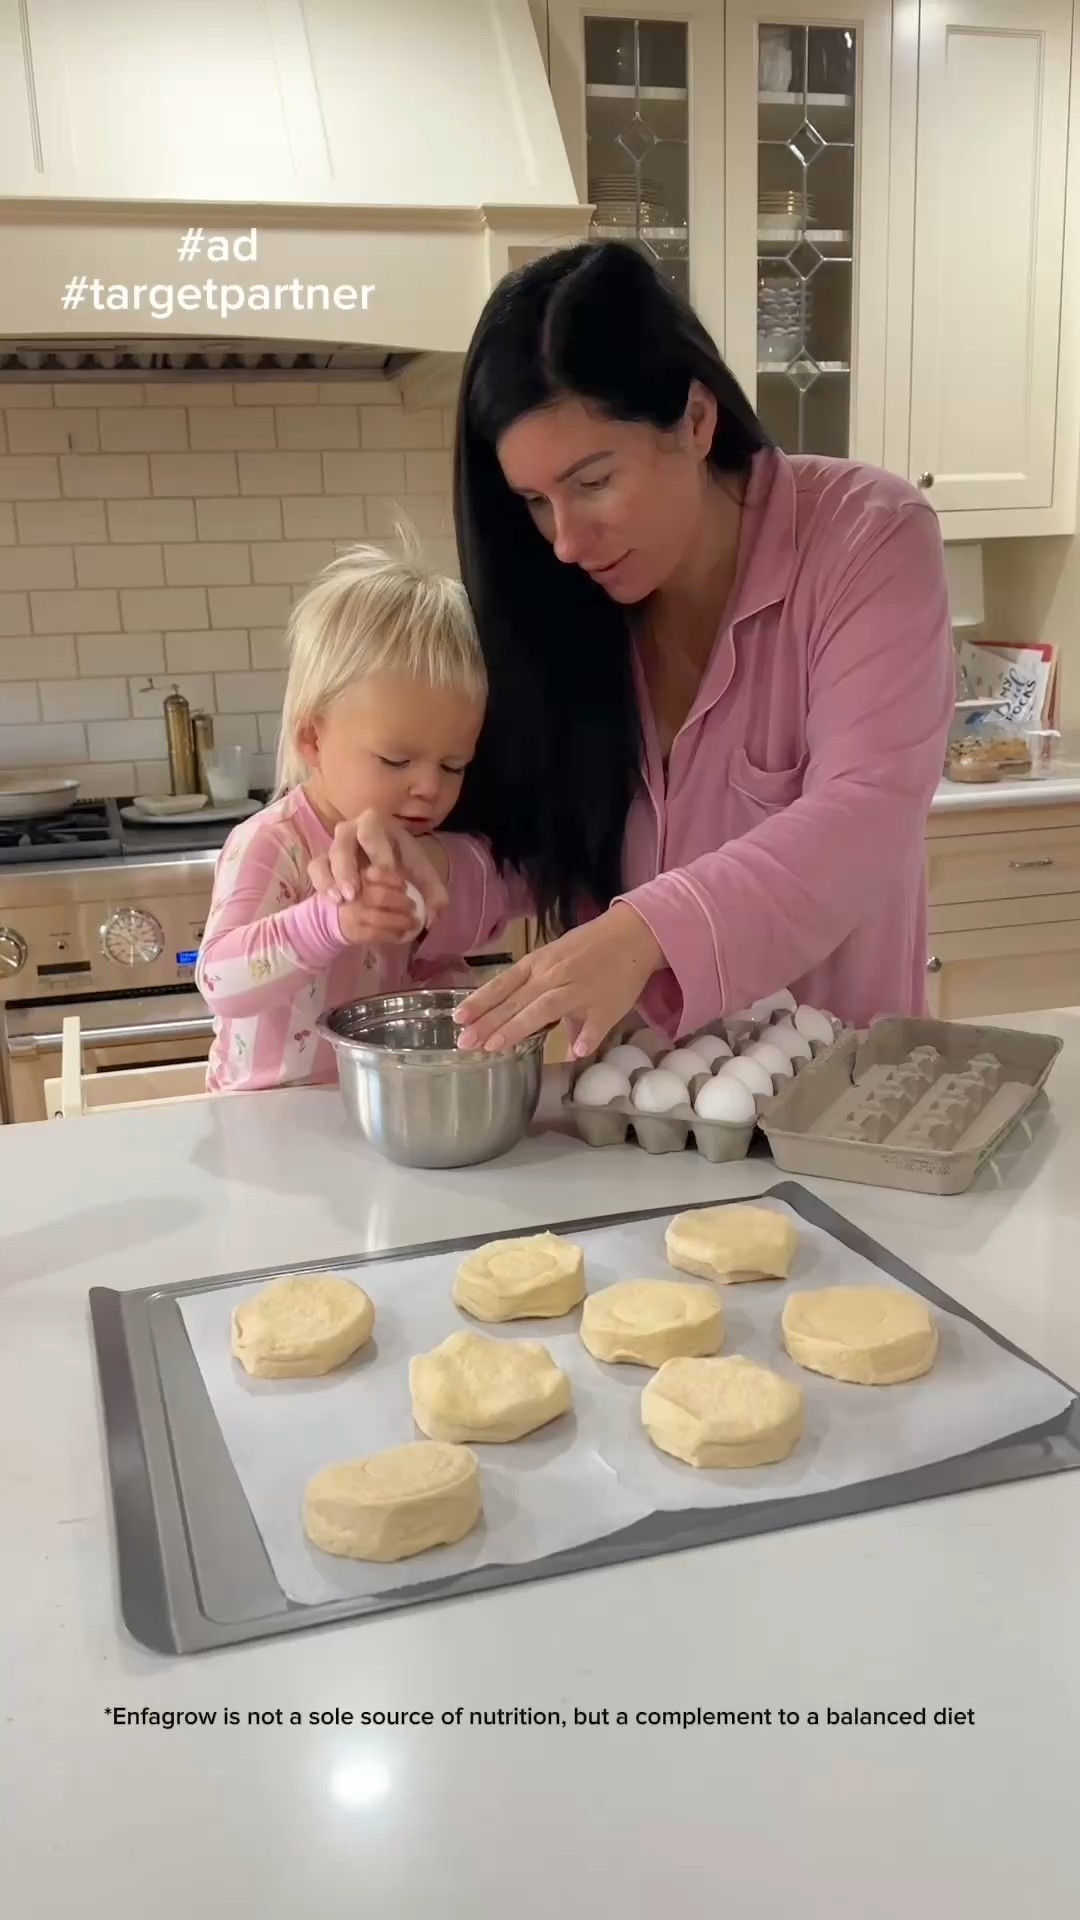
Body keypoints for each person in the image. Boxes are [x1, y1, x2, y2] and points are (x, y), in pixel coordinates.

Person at [310, 241, 955, 1061]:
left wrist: (646, 930)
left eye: (592, 482)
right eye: (535, 503)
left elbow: (864, 817)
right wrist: (415, 872)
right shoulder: (570, 610)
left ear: (693, 419)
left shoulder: (869, 537)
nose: (567, 541)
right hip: (622, 1125)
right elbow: (526, 851)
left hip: (840, 1105)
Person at [195, 546, 490, 1092]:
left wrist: (465, 1004)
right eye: (396, 760)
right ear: (313, 738)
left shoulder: (407, 850)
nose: (429, 787)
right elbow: (219, 979)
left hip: (364, 1112)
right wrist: (328, 922)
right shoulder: (271, 843)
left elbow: (416, 971)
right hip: (261, 1126)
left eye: (454, 765)